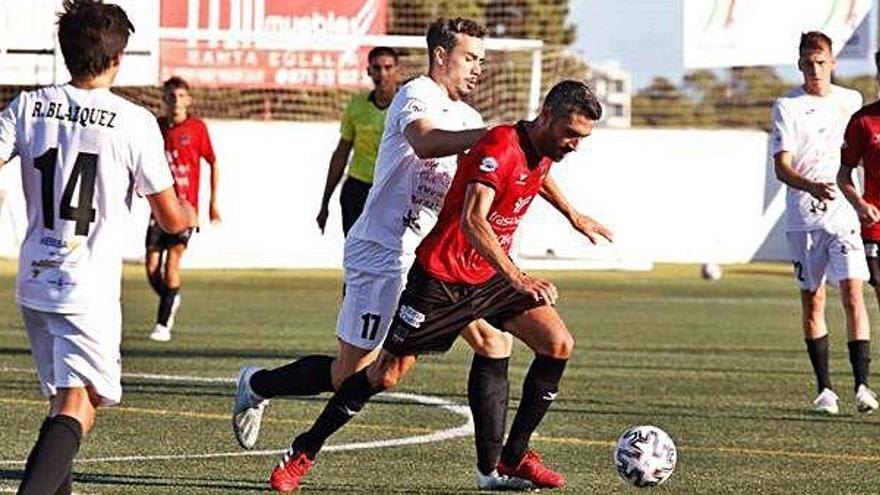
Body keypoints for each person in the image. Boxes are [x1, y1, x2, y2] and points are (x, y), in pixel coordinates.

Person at [262, 80, 609, 492]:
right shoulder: (499, 146)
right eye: (571, 133)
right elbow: (472, 221)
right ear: (546, 116)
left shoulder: (545, 148)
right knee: (383, 374)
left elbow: (539, 174)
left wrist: (573, 214)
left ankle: (513, 456)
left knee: (557, 343)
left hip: (488, 277)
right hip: (442, 280)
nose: (574, 145)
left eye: (582, 138)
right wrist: (518, 277)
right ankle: (303, 450)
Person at [234, 18, 533, 491]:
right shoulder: (416, 94)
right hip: (381, 249)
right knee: (351, 374)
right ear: (441, 55)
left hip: (433, 261)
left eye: (481, 59)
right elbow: (424, 141)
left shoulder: (472, 118)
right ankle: (259, 385)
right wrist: (485, 137)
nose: (478, 67)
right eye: (470, 57)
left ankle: (489, 470)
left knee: (495, 343)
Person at [0, 1, 194, 493]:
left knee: (63, 401)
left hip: (34, 282)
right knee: (78, 407)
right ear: (117, 58)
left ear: (66, 52)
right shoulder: (133, 121)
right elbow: (170, 216)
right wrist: (189, 214)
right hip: (85, 289)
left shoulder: (25, 106)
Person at [771, 31, 878, 415]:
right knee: (813, 298)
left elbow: (861, 154)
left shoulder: (851, 101)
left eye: (821, 62)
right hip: (803, 218)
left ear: (833, 62)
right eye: (808, 62)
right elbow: (782, 168)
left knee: (854, 293)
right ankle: (825, 390)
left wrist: (864, 200)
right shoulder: (787, 106)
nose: (815, 69)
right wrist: (811, 185)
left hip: (845, 215)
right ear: (800, 64)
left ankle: (863, 386)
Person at [145, 76, 219, 342]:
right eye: (170, 96)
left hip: (185, 211)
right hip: (159, 208)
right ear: (163, 100)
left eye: (180, 96)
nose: (175, 102)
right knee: (152, 269)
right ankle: (171, 297)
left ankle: (162, 325)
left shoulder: (197, 129)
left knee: (172, 263)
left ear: (188, 99)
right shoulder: (155, 128)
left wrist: (211, 204)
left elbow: (213, 162)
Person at [316, 46, 400, 236]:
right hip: (358, 187)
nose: (383, 74)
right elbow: (341, 152)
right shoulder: (357, 105)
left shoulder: (409, 104)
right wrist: (325, 201)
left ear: (397, 70)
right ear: (368, 71)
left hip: (393, 188)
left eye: (388, 67)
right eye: (377, 68)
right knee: (356, 255)